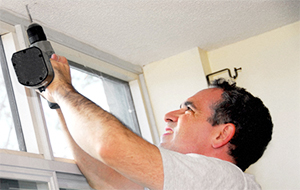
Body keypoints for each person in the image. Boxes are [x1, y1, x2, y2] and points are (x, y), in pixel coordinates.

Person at [41, 54, 273, 190]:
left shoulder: (226, 181)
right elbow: (105, 179)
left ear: (221, 135)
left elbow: (109, 146)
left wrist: (63, 90)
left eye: (188, 110)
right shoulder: (189, 183)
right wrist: (58, 102)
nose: (170, 115)